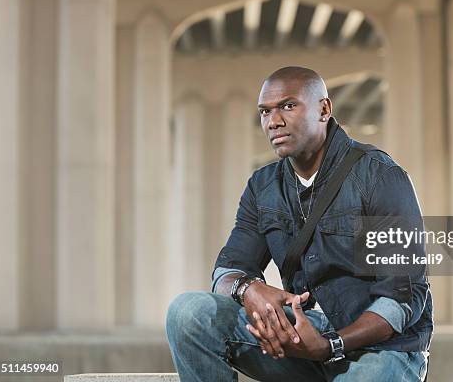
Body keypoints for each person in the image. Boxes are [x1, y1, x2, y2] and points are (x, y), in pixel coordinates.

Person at [166, 66, 433, 381]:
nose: (273, 121)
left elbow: (401, 298)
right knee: (188, 314)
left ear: (324, 109)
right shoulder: (262, 186)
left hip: (380, 349)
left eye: (288, 106)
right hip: (302, 340)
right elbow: (227, 271)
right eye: (265, 111)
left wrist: (328, 345)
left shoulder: (381, 176)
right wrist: (248, 289)